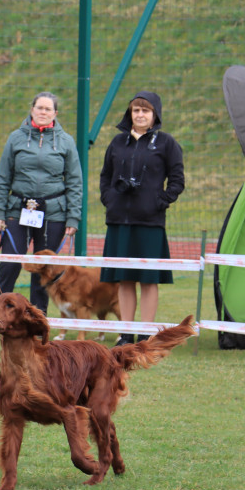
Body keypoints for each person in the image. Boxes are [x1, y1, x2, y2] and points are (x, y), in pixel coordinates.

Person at [99, 91, 185, 345]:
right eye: (136, 110)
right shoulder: (117, 142)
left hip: (150, 222)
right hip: (119, 222)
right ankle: (126, 334)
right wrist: (109, 198)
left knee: (148, 279)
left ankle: (145, 335)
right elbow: (105, 176)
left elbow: (177, 180)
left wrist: (161, 201)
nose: (140, 115)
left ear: (155, 114)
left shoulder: (167, 143)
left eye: (145, 110)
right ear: (130, 113)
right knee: (124, 279)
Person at [0, 92, 83, 313]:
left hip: (54, 213)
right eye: (39, 108)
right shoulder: (16, 138)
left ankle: (37, 318)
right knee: (10, 264)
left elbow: (74, 181)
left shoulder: (66, 141)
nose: (43, 112)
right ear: (32, 110)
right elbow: (3, 177)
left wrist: (73, 217)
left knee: (44, 268)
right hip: (17, 209)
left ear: (55, 113)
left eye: (48, 109)